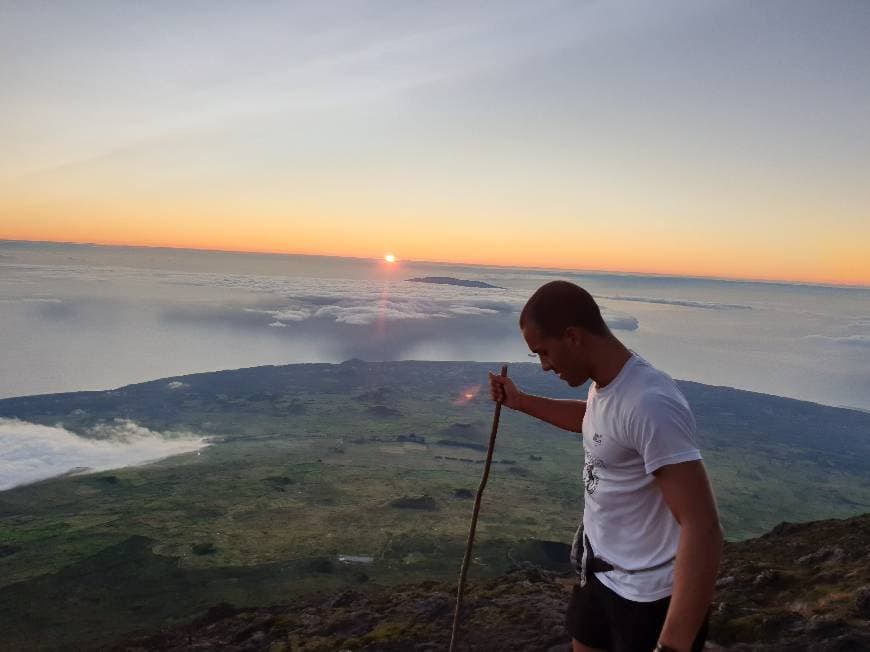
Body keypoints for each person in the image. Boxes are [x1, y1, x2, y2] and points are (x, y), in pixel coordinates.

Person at [489, 281, 722, 652]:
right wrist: (520, 401)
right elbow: (598, 423)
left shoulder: (651, 403)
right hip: (599, 571)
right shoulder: (608, 384)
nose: (545, 366)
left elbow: (703, 527)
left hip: (648, 597)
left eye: (544, 352)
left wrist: (674, 645)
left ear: (573, 337)